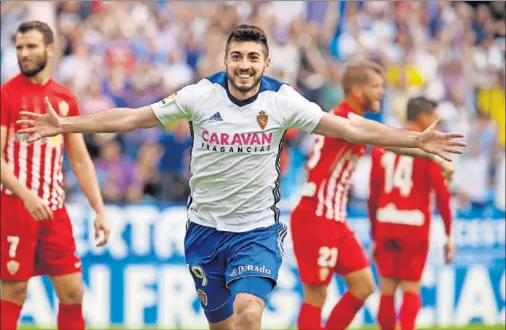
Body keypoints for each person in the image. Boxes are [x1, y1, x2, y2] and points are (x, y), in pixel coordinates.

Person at [16, 24, 465, 330]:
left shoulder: (284, 101)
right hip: (204, 232)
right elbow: (133, 118)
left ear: (266, 63)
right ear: (225, 59)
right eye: (237, 56)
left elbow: (349, 126)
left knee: (250, 315)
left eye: (253, 57)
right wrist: (66, 125)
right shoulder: (201, 95)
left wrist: (413, 141)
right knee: (226, 323)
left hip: (257, 232)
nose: (244, 64)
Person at [290, 60, 456, 330]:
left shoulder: (350, 122)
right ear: (357, 90)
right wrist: (430, 154)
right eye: (377, 87)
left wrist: (433, 157)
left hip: (334, 219)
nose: (382, 93)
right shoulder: (345, 119)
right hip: (315, 216)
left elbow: (388, 144)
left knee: (364, 285)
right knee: (316, 295)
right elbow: (384, 138)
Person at [0, 21, 110, 330]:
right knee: (15, 290)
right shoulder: (7, 95)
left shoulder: (64, 98)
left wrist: (99, 210)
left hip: (54, 210)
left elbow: (80, 160)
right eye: (20, 47)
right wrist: (26, 195)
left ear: (50, 49)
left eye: (31, 46)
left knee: (73, 290)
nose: (24, 53)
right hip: (15, 207)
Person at [368, 96, 455, 330]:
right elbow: (442, 197)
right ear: (422, 117)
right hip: (414, 226)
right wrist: (449, 234)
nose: (436, 123)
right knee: (410, 288)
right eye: (433, 117)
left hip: (386, 222)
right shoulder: (428, 150)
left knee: (386, 288)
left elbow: (373, 196)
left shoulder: (382, 147)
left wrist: (375, 235)